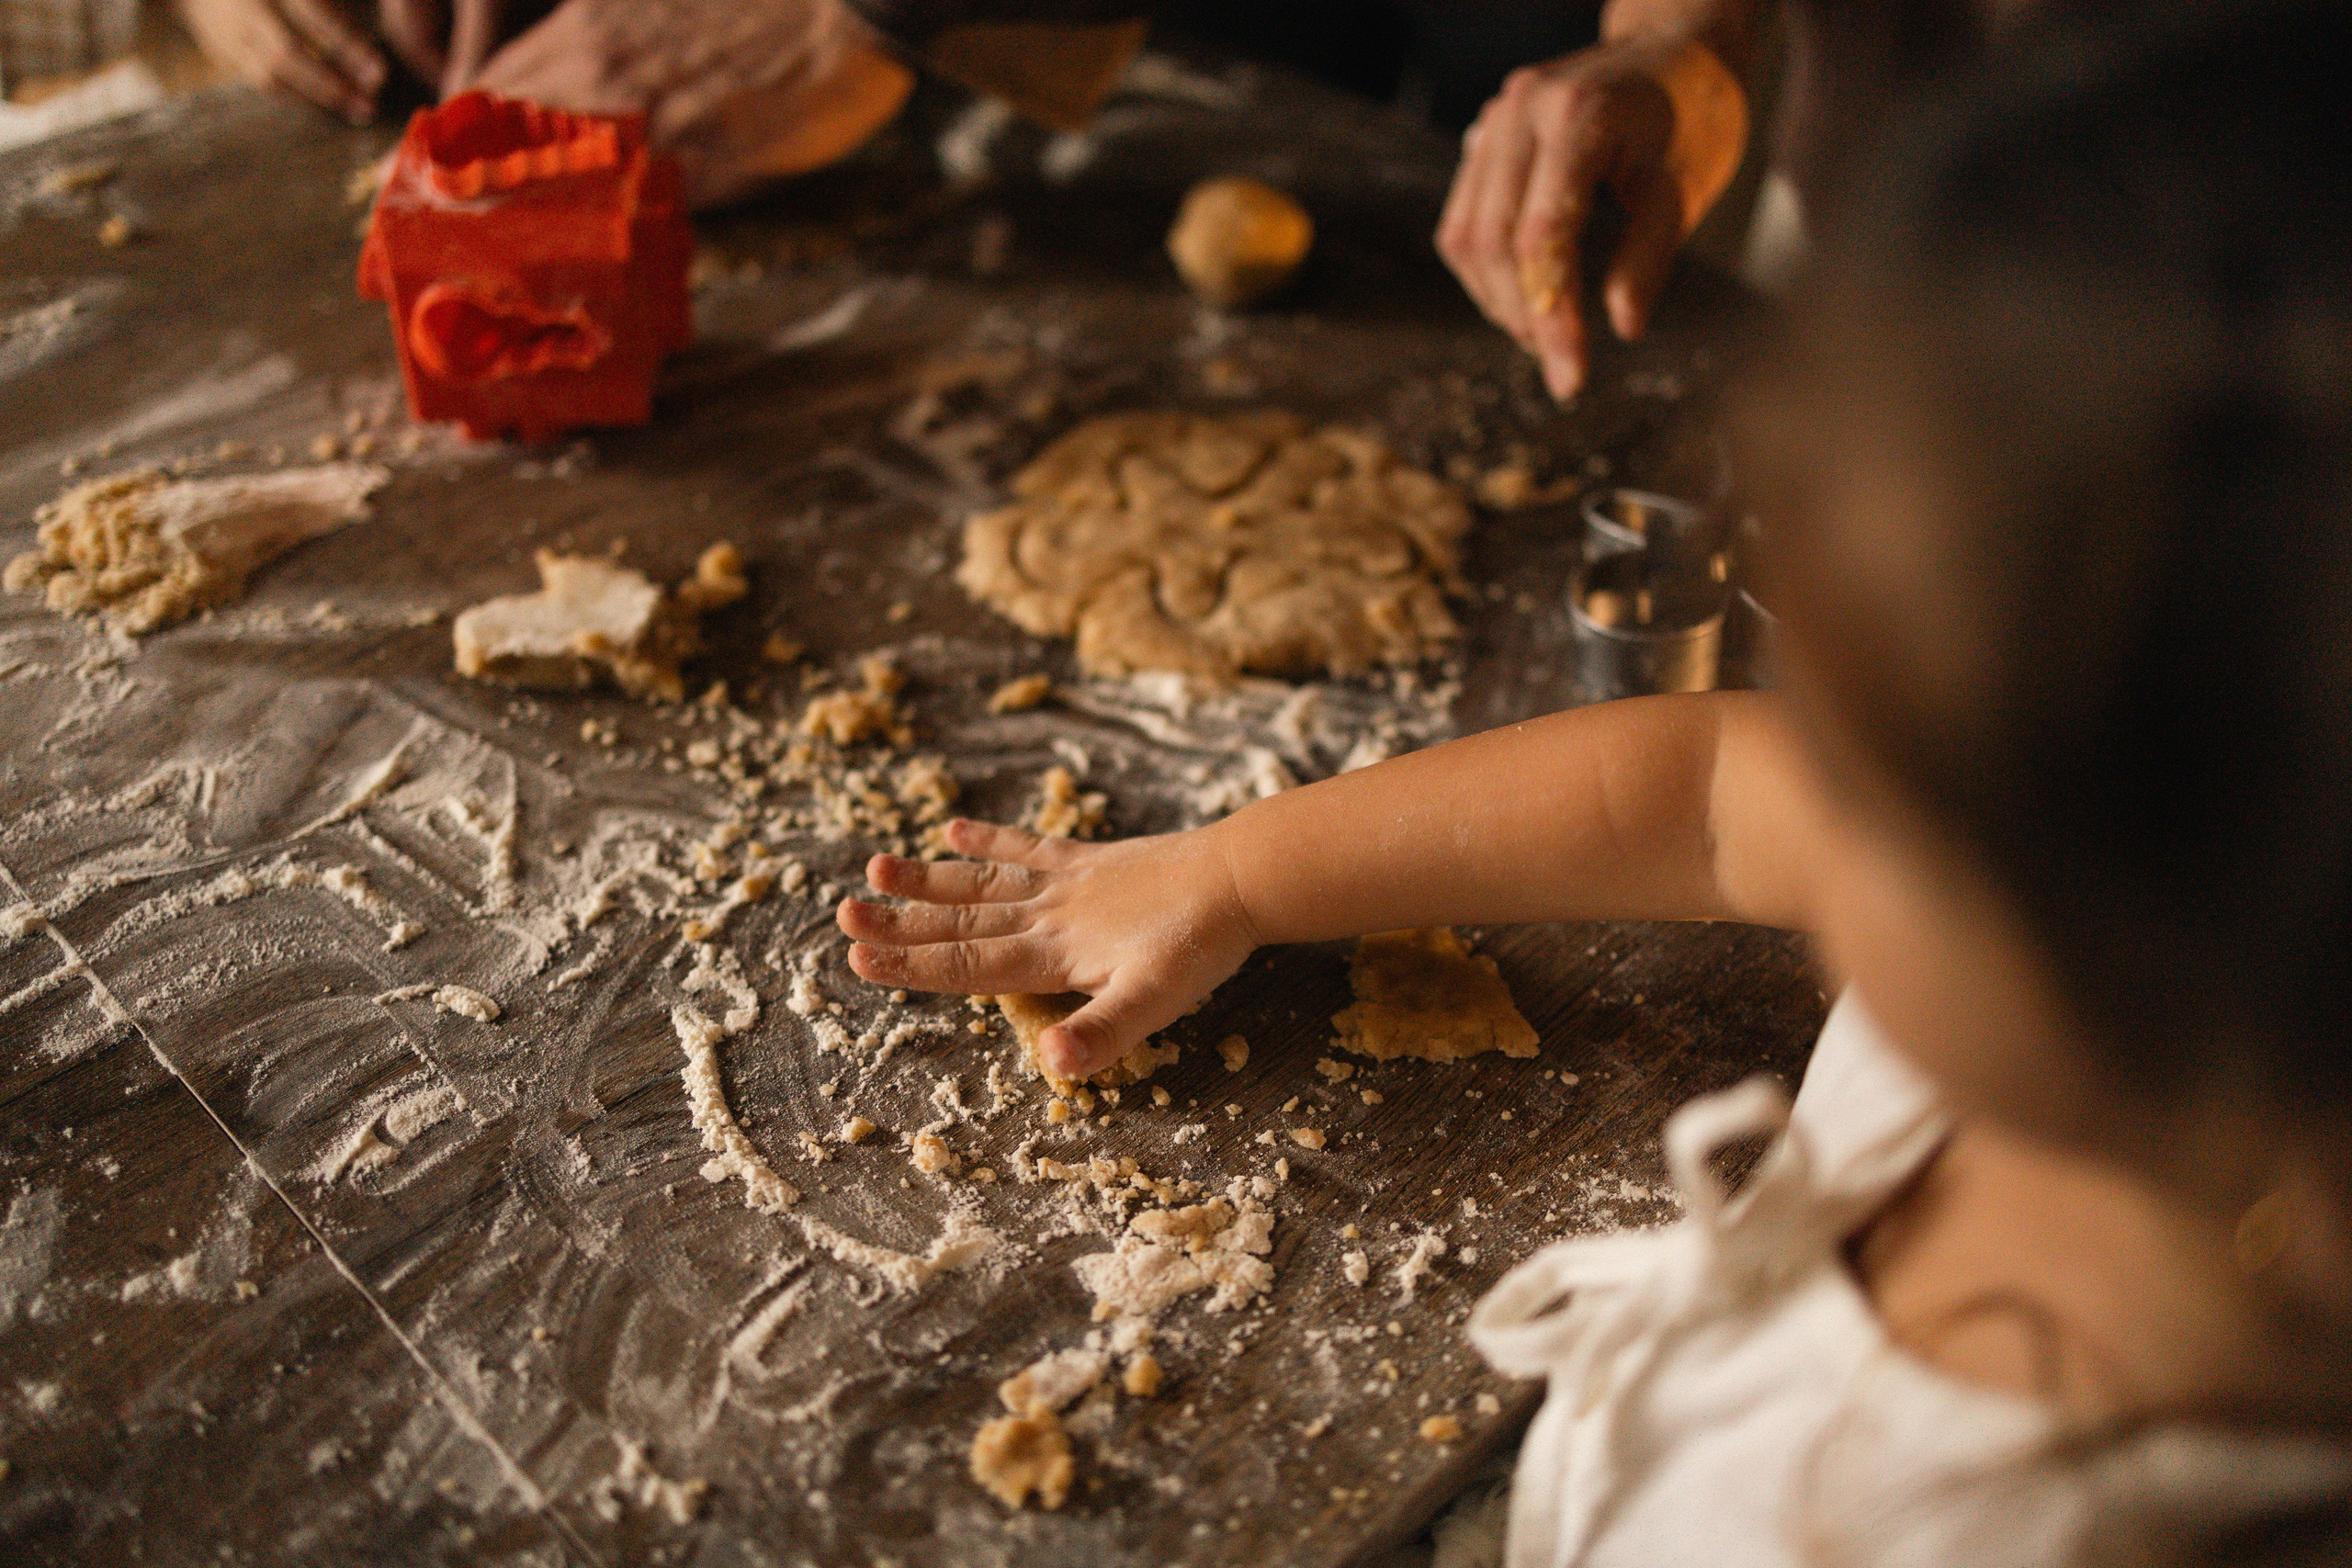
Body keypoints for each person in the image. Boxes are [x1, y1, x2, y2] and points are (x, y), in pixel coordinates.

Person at [838, 2, 2352, 1561]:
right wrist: (1229, 873)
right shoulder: (2143, 977)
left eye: (1853, 759)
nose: (1802, 774)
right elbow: (1702, 787)